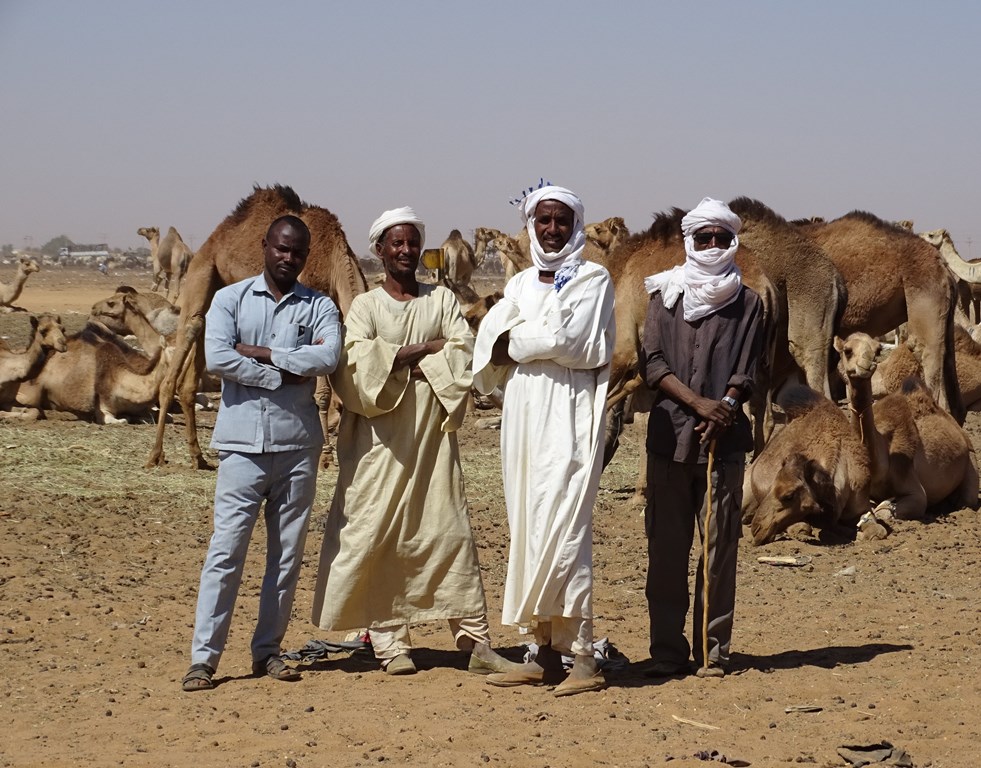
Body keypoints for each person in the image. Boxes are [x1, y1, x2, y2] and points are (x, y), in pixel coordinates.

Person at [310, 207, 519, 677]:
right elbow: (355, 365)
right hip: (377, 446)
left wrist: (399, 359)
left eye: (411, 243)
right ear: (380, 250)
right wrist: (423, 351)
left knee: (449, 532)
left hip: (432, 440)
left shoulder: (441, 300)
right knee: (378, 537)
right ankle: (390, 643)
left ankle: (475, 640)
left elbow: (463, 351)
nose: (404, 251)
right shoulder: (365, 307)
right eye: (395, 244)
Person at [181, 215, 342, 691]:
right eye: (281, 249)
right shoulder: (229, 299)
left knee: (287, 557)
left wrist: (262, 354)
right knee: (225, 553)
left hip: (298, 447)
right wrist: (284, 371)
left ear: (305, 256)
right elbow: (218, 358)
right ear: (265, 246)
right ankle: (204, 660)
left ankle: (267, 651)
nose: (288, 259)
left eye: (297, 253)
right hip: (241, 448)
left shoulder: (320, 306)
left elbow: (328, 358)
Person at [472, 184, 616, 697]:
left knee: (565, 531)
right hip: (525, 416)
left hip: (571, 415)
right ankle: (542, 653)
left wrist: (518, 343)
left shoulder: (593, 278)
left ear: (574, 225)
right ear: (530, 226)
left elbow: (572, 343)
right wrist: (520, 340)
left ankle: (583, 657)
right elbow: (489, 341)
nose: (551, 229)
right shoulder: (521, 284)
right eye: (543, 221)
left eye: (560, 221)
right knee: (529, 526)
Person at [641, 197, 765, 679]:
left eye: (719, 237)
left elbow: (750, 368)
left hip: (723, 443)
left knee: (718, 551)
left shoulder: (749, 303)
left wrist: (727, 406)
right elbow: (653, 364)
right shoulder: (664, 297)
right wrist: (699, 404)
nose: (711, 245)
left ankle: (714, 651)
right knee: (667, 550)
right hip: (670, 439)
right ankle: (667, 652)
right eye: (703, 237)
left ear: (731, 241)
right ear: (689, 241)